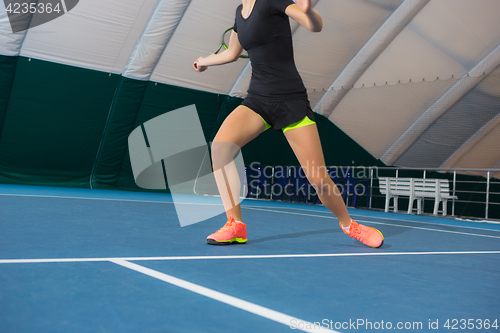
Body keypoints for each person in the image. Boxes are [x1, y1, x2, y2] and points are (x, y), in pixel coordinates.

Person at [193, 0, 384, 248]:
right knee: (221, 147)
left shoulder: (272, 0)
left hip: (290, 100)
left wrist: (307, 12)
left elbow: (314, 26)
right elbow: (231, 53)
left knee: (318, 179)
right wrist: (204, 61)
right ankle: (235, 225)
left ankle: (350, 225)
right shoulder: (239, 14)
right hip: (258, 100)